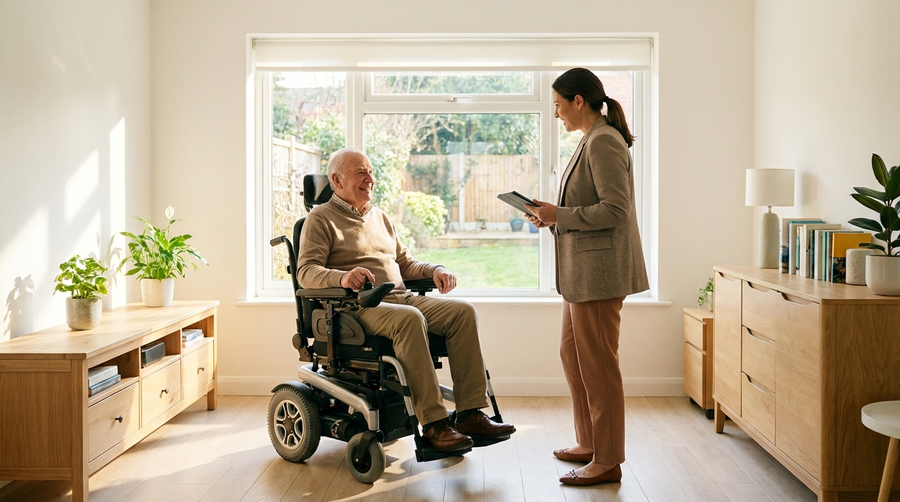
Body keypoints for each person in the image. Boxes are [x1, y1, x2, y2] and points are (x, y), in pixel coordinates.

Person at [297, 147, 516, 454]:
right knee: (410, 319)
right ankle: (435, 425)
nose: (369, 178)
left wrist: (435, 270)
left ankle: (470, 415)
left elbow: (405, 264)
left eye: (370, 171)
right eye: (360, 172)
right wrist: (342, 278)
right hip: (356, 308)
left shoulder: (381, 218)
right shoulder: (320, 220)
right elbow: (306, 272)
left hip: (400, 297)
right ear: (336, 180)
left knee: (462, 312)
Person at [525, 68, 649, 486]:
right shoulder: (590, 140)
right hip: (581, 276)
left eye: (559, 105)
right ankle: (590, 441)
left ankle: (608, 460)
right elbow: (587, 206)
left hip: (599, 276)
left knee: (599, 367)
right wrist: (551, 214)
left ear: (579, 101)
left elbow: (616, 211)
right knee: (571, 353)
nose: (557, 113)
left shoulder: (605, 142)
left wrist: (559, 215)